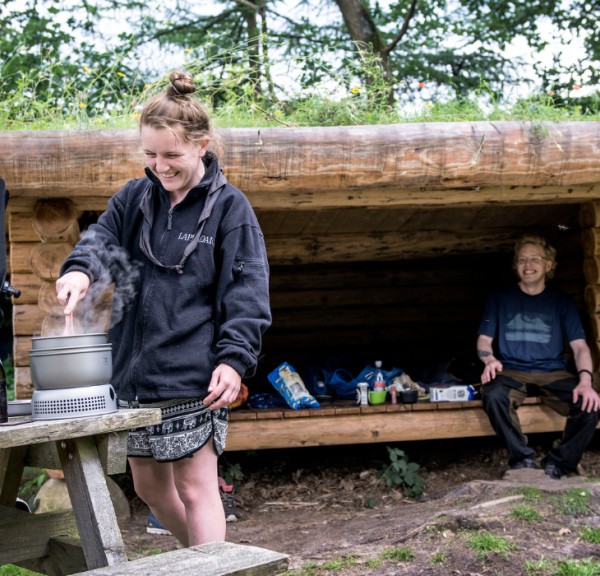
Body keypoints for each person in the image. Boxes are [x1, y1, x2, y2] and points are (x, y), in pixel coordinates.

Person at [56, 72, 271, 546]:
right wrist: (80, 270)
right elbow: (101, 239)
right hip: (132, 374)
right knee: (149, 489)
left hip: (193, 375)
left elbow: (248, 292)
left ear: (202, 146)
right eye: (150, 155)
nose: (160, 166)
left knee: (197, 488)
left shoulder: (231, 209)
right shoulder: (134, 197)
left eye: (171, 155)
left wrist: (234, 360)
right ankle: (200, 557)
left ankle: (211, 569)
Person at [477, 235, 599, 479]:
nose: (528, 265)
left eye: (534, 259)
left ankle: (558, 464)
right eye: (522, 260)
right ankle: (522, 461)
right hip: (511, 372)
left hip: (553, 373)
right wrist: (489, 359)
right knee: (493, 395)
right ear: (516, 265)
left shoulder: (562, 302)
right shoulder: (499, 298)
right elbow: (484, 339)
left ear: (548, 265)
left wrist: (586, 382)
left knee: (589, 405)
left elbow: (580, 348)